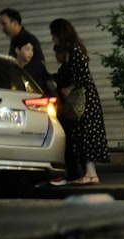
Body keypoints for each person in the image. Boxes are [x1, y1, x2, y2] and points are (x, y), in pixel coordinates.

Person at [49, 18, 108, 186]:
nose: (52, 38)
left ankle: (90, 174)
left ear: (60, 34)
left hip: (85, 102)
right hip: (82, 102)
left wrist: (70, 87)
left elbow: (82, 74)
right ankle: (91, 174)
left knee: (86, 135)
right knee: (83, 136)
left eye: (53, 34)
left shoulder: (75, 51)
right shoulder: (71, 52)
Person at [0, 8, 49, 89]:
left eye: (4, 24)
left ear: (15, 23)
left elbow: (41, 63)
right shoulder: (15, 41)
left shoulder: (28, 40)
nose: (2, 28)